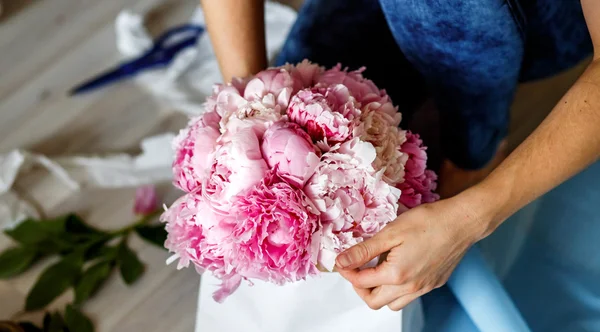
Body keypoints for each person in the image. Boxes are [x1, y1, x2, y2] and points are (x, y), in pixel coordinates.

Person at [201, 0, 600, 311]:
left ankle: (474, 152)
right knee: (313, 95)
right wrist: (251, 109)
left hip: (550, 20)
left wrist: (472, 216)